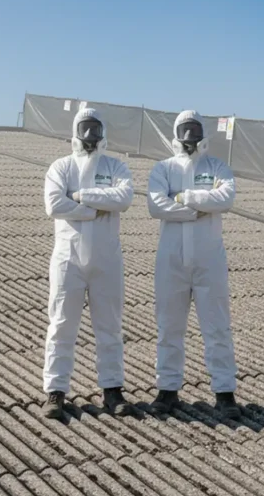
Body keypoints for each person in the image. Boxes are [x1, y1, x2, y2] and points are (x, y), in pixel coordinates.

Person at [146, 110, 240, 420]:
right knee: (168, 327)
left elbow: (225, 198)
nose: (189, 137)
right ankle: (167, 389)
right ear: (175, 132)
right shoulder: (163, 168)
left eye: (194, 130)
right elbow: (155, 205)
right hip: (171, 260)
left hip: (209, 260)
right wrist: (197, 208)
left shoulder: (217, 167)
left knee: (217, 327)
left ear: (203, 133)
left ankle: (224, 392)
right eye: (184, 130)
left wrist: (181, 197)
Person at [42, 107, 135, 419]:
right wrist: (96, 208)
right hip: (67, 259)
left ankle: (112, 389)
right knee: (61, 325)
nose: (90, 135)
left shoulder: (116, 166)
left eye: (95, 128)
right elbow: (54, 204)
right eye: (85, 127)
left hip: (106, 260)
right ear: (75, 130)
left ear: (103, 131)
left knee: (110, 326)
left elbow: (123, 198)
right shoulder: (61, 167)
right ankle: (55, 391)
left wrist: (80, 196)